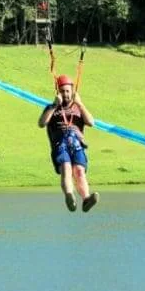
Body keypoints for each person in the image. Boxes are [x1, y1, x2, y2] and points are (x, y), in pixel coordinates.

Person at [38, 74, 100, 213]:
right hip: (60, 144)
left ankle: (86, 199)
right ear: (58, 92)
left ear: (72, 92)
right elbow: (42, 123)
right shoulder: (51, 108)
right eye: (62, 91)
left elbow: (91, 122)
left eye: (67, 91)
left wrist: (80, 104)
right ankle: (69, 196)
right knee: (66, 168)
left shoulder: (78, 107)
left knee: (79, 171)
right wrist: (55, 105)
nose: (65, 94)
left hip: (77, 143)